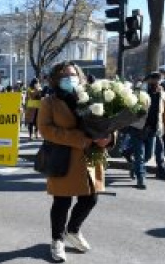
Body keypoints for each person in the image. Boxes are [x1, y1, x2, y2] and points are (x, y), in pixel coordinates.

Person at [37, 61, 112, 262]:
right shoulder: (49, 102)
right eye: (63, 76)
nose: (69, 79)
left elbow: (106, 123)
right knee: (62, 202)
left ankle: (73, 230)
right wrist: (80, 139)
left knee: (90, 199)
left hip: (90, 159)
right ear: (55, 79)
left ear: (79, 76)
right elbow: (45, 129)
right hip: (64, 159)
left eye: (72, 74)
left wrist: (109, 138)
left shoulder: (91, 97)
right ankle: (57, 240)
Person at [128, 72, 165, 189]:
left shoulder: (164, 96)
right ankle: (141, 179)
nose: (156, 82)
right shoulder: (139, 93)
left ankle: (134, 166)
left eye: (158, 80)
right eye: (153, 79)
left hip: (153, 130)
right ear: (148, 80)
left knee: (148, 155)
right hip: (138, 128)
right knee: (140, 155)